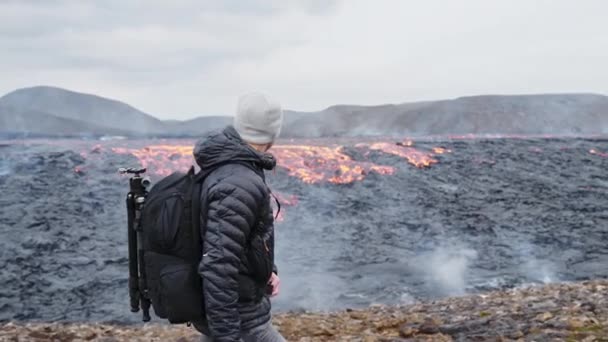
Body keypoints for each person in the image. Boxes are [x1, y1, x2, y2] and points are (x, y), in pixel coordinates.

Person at [191, 92, 286, 342]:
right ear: (272, 134)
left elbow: (239, 240)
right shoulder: (239, 182)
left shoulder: (232, 167)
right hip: (241, 316)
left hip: (231, 307)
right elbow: (218, 265)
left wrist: (267, 270)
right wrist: (227, 336)